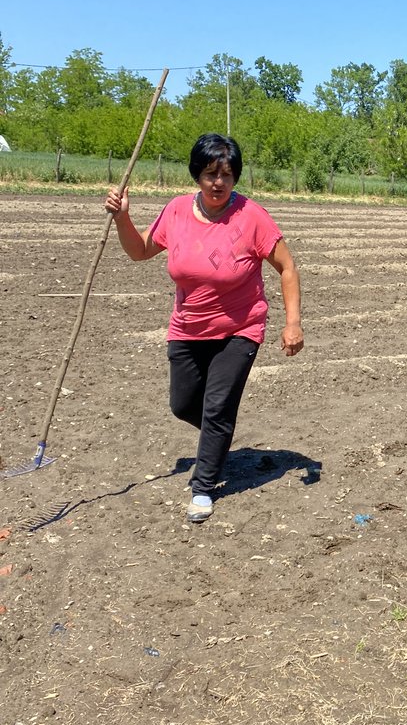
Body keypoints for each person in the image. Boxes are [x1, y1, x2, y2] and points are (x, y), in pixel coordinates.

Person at [105, 132, 304, 523]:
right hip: (187, 327)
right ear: (197, 174)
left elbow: (288, 267)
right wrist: (122, 217)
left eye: (227, 175)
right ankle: (219, 431)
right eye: (211, 173)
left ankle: (203, 488)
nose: (218, 182)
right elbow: (140, 251)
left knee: (215, 407)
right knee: (183, 405)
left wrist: (292, 323)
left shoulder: (251, 216)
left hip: (240, 327)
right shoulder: (177, 211)